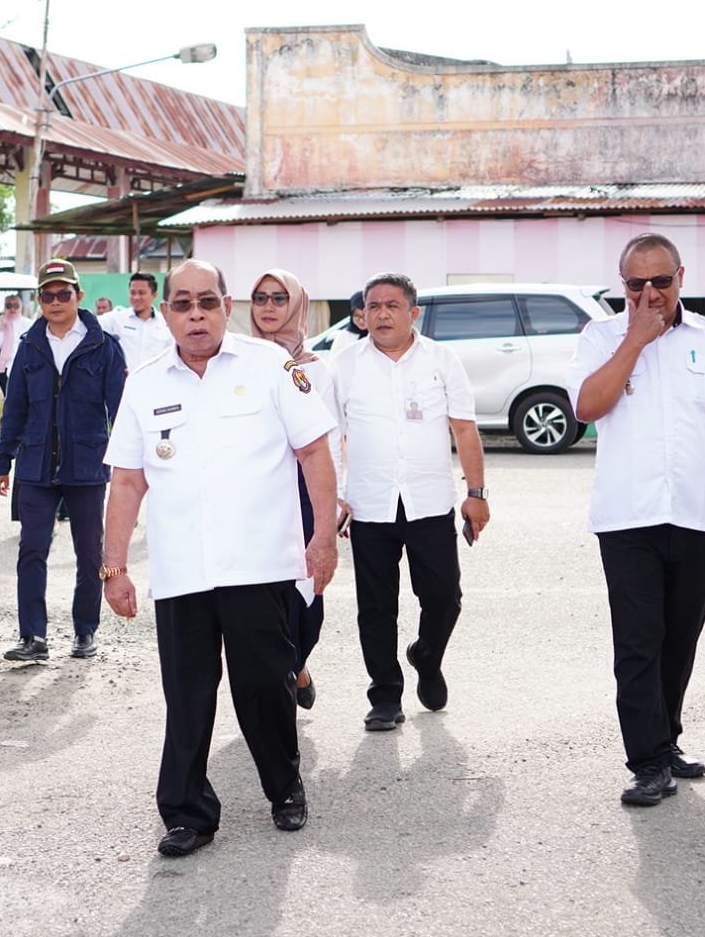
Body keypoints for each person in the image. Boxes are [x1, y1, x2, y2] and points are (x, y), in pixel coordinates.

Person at [102, 260, 339, 858]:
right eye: (182, 304)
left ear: (226, 307)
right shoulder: (145, 383)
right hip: (183, 569)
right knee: (187, 695)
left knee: (264, 686)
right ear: (166, 314)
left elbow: (315, 452)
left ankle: (284, 787)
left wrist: (324, 538)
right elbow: (127, 480)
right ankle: (187, 813)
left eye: (207, 302)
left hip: (258, 563)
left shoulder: (269, 367)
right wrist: (114, 566)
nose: (196, 315)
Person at [567, 232, 705, 807]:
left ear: (682, 277)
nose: (649, 293)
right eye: (636, 284)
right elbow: (586, 407)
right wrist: (634, 340)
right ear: (622, 284)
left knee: (679, 641)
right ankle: (648, 761)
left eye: (661, 280)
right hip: (627, 518)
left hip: (698, 516)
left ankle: (666, 738)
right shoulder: (599, 337)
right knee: (638, 644)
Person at [327, 272, 488, 732]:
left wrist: (476, 494)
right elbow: (332, 434)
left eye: (392, 305)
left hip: (429, 502)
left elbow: (464, 429)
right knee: (376, 606)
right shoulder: (344, 364)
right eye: (373, 306)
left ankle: (427, 656)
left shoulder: (441, 359)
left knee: (444, 597)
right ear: (362, 315)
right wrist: (336, 495)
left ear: (413, 313)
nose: (381, 314)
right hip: (369, 504)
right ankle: (384, 695)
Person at [0, 258, 125, 661]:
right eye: (47, 295)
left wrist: (128, 464)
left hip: (87, 466)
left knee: (90, 553)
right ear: (39, 299)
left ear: (78, 296)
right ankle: (33, 637)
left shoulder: (104, 347)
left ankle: (85, 631)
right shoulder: (29, 346)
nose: (55, 301)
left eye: (63, 293)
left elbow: (121, 411)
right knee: (31, 550)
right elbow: (14, 408)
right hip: (36, 466)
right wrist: (2, 460)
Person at [248, 269, 338, 710]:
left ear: (297, 304)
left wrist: (334, 507)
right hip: (254, 495)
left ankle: (298, 663)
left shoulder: (315, 370)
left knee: (306, 592)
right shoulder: (236, 361)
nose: (268, 307)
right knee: (258, 595)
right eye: (260, 298)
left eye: (279, 298)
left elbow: (331, 442)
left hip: (303, 494)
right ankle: (276, 679)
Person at [99, 272, 173, 372]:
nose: (136, 297)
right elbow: (91, 325)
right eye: (133, 293)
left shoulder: (166, 323)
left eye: (141, 293)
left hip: (156, 379)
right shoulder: (116, 319)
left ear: (154, 295)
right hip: (125, 380)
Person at [0, 294, 26, 396]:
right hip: (3, 365)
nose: (12, 309)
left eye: (16, 306)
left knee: (21, 396)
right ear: (4, 307)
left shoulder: (27, 323)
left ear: (21, 306)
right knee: (8, 396)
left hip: (22, 365)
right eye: (9, 306)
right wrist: (2, 327)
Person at [328, 289, 370, 354]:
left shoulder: (379, 336)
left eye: (364, 316)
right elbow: (334, 359)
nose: (361, 321)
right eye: (356, 315)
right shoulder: (344, 337)